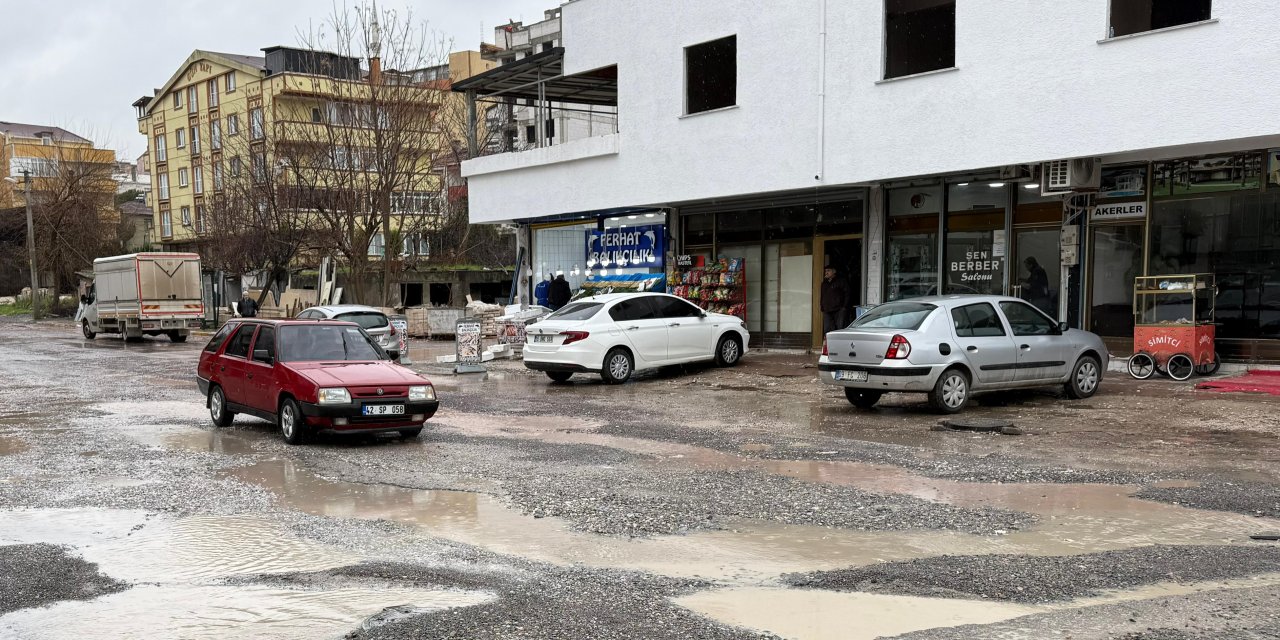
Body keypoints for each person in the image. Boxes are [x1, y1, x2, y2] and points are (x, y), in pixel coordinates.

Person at [820, 266, 851, 335]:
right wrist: (822, 306)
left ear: (834, 271)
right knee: (827, 329)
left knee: (840, 328)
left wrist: (844, 307)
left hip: (839, 309)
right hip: (827, 310)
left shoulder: (841, 281)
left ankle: (840, 344)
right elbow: (822, 295)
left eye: (828, 271)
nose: (826, 272)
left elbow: (847, 293)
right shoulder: (824, 283)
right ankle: (829, 345)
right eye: (825, 271)